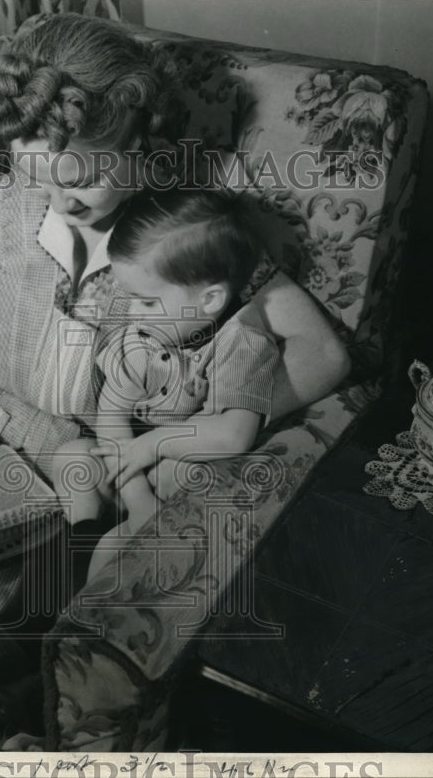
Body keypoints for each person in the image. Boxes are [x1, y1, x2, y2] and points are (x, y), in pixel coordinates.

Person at [0, 12, 351, 751]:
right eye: (39, 174)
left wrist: (191, 424)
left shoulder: (181, 233)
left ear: (140, 141)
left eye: (89, 176)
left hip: (68, 482)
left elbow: (324, 354)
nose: (63, 199)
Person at [52, 187, 279, 580]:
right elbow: (111, 414)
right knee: (71, 457)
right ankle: (82, 538)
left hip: (180, 470)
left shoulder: (244, 342)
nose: (132, 314)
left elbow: (234, 435)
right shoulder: (140, 335)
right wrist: (137, 496)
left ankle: (84, 594)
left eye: (146, 302)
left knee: (117, 548)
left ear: (209, 300)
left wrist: (150, 446)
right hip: (132, 463)